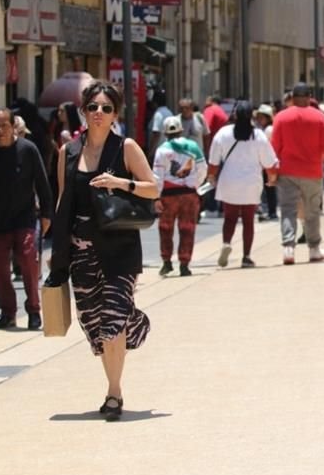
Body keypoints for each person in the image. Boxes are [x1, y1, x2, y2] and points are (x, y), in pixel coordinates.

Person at [46, 80, 159, 420]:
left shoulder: (125, 148)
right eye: (93, 107)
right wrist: (57, 252)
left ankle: (114, 392)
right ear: (83, 111)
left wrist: (120, 182)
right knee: (95, 324)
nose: (99, 113)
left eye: (106, 108)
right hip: (80, 252)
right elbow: (64, 201)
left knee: (111, 321)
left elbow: (152, 189)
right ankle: (134, 321)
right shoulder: (69, 152)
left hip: (119, 249)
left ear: (115, 114)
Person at [0, 108, 53, 330]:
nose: (0, 131)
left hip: (24, 217)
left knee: (28, 260)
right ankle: (8, 313)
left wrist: (47, 214)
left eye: (4, 126)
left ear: (13, 126)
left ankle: (34, 310)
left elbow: (42, 183)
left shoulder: (28, 150)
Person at [271, 83, 324, 265]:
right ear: (309, 97)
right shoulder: (318, 117)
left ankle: (288, 249)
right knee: (312, 211)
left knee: (288, 210)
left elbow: (275, 146)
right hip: (312, 171)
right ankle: (314, 249)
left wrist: (271, 172)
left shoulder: (281, 117)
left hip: (287, 171)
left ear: (292, 98)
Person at [208, 101, 278, 269]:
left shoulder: (223, 133)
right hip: (251, 183)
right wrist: (272, 177)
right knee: (248, 221)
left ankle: (226, 243)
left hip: (229, 182)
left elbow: (213, 161)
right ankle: (246, 256)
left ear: (235, 115)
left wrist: (211, 176)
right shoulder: (258, 135)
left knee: (230, 218)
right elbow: (269, 161)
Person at [153, 116, 207, 277]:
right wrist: (194, 185)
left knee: (165, 229)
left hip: (168, 196)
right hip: (189, 194)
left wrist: (156, 197)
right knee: (187, 228)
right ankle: (184, 264)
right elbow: (203, 168)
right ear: (181, 130)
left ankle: (166, 262)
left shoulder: (162, 150)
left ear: (165, 132)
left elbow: (157, 175)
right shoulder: (193, 146)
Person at [255, 104, 278, 221]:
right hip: (268, 162)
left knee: (268, 189)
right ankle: (270, 211)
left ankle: (271, 211)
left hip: (267, 163)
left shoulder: (268, 130)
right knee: (269, 188)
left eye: (261, 117)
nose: (259, 120)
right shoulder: (266, 129)